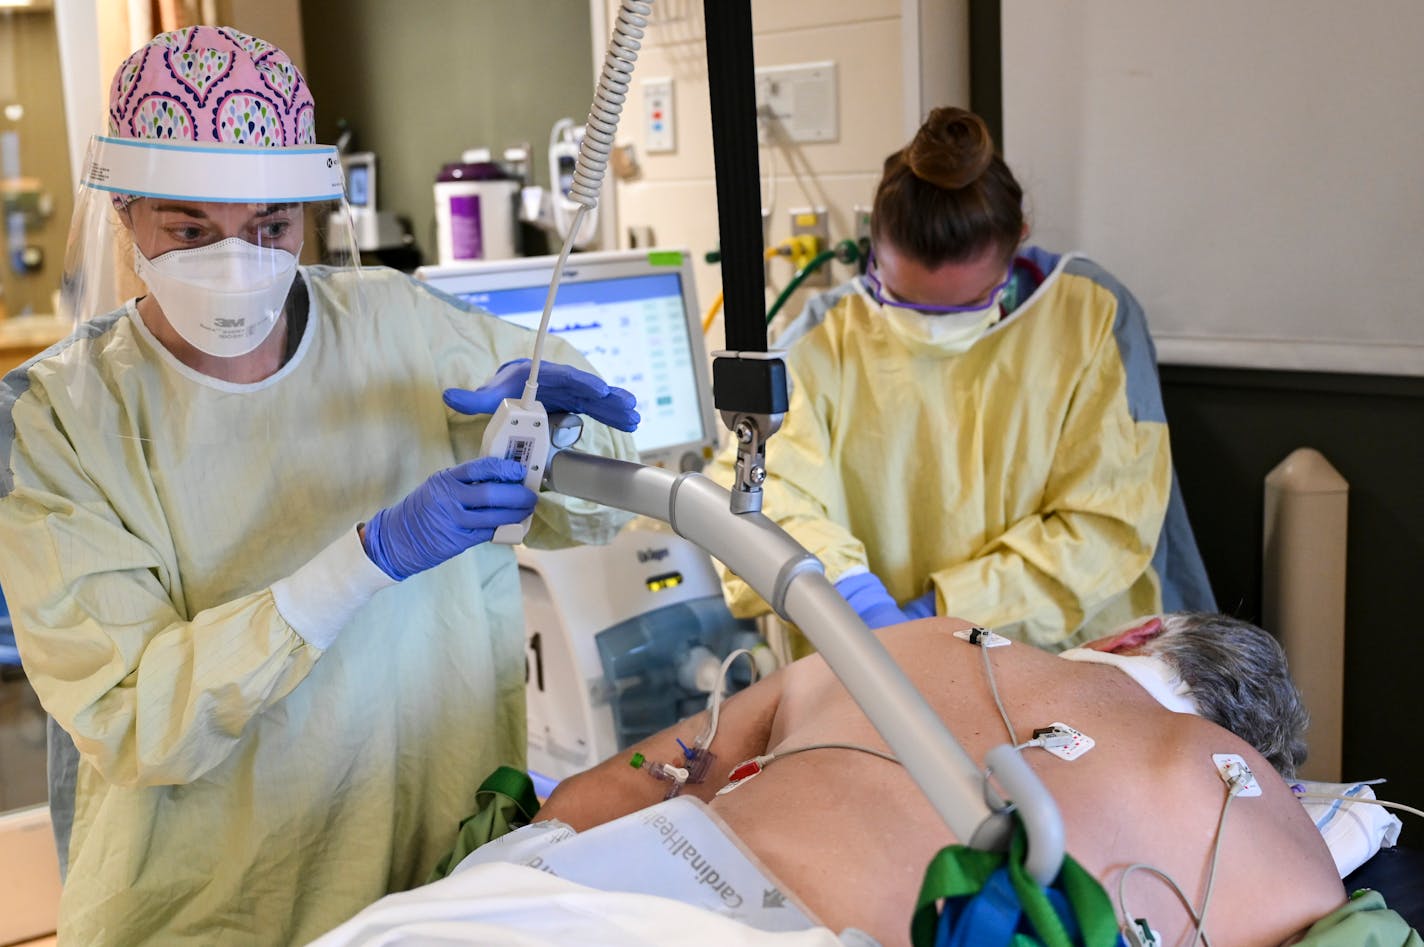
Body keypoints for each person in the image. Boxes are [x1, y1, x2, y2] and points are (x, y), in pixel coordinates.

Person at [0, 26, 639, 946]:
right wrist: (364, 561)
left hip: (430, 882)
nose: (236, 263)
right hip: (202, 905)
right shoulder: (54, 422)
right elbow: (134, 715)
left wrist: (565, 437)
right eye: (189, 231)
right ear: (124, 214)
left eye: (270, 228)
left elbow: (599, 511)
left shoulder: (403, 328)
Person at [314, 613, 1370, 947]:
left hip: (540, 904)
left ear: (1130, 630)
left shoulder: (912, 642)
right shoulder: (1230, 788)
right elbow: (1328, 913)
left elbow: (600, 794)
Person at [711, 106, 1215, 651]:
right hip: (873, 653)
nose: (932, 329)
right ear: (872, 246)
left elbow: (1107, 523)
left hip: (1060, 656)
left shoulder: (1090, 316)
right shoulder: (821, 339)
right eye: (904, 301)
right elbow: (766, 492)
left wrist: (940, 614)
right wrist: (853, 597)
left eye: (970, 303)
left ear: (1018, 240)